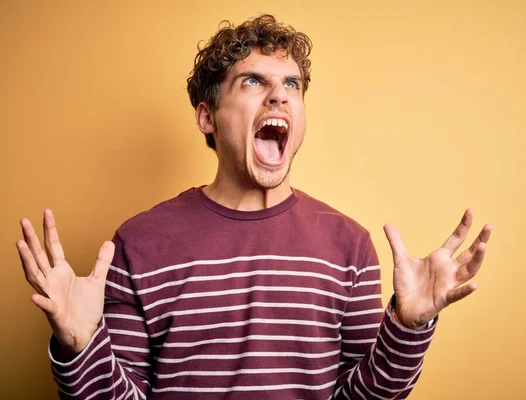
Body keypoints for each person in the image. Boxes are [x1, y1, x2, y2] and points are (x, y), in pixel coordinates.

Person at [16, 14, 492, 400]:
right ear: (207, 117)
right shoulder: (139, 243)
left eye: (293, 84)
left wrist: (409, 328)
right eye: (252, 81)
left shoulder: (349, 245)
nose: (279, 94)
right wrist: (80, 348)